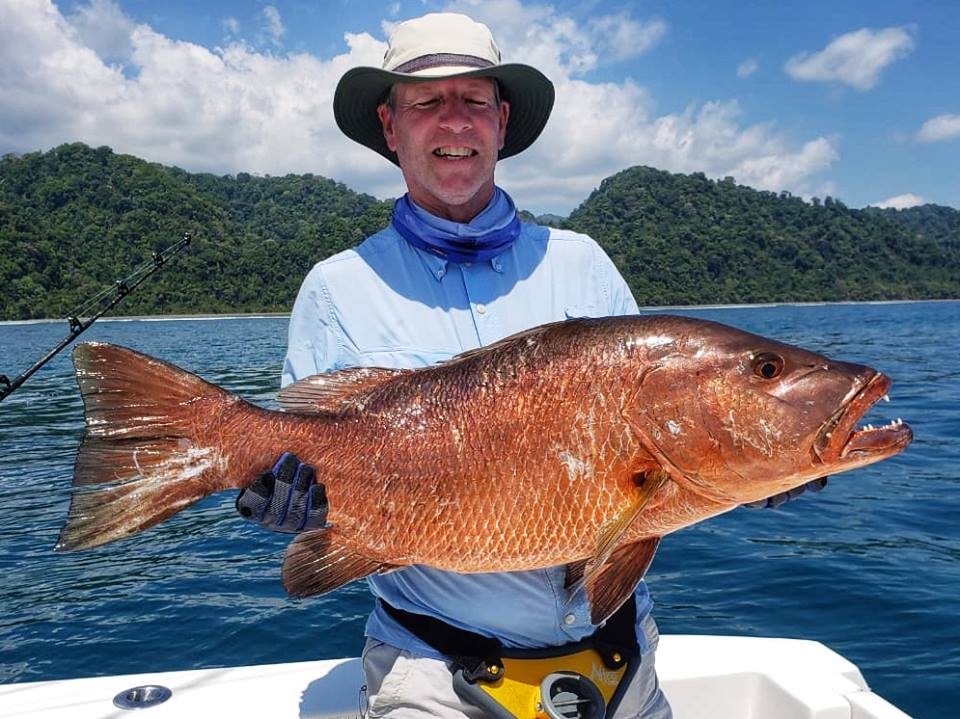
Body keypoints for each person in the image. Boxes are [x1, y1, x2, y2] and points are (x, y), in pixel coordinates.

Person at [236, 12, 824, 718]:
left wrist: (757, 462)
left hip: (622, 659)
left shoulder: (585, 263)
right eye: (426, 103)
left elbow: (652, 469)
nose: (453, 122)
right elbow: (306, 468)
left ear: (502, 121)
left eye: (474, 101)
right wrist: (286, 500)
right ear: (391, 127)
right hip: (433, 673)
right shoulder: (336, 288)